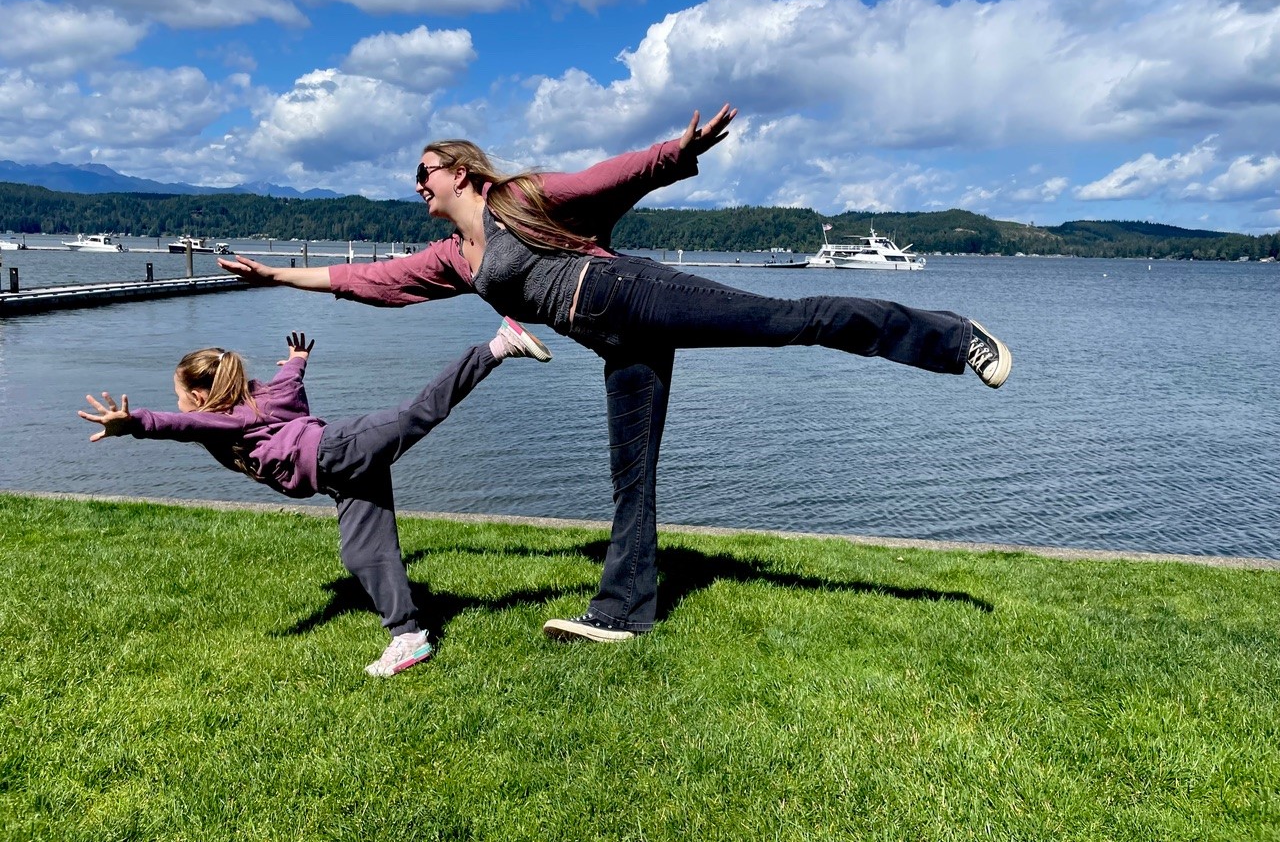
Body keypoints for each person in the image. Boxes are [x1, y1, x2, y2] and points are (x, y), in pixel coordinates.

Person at [217, 103, 1012, 644]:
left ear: (461, 170)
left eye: (424, 170)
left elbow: (604, 180)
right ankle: (626, 610)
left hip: (635, 294)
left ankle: (951, 337)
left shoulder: (520, 200)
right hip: (618, 340)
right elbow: (374, 281)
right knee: (631, 476)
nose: (417, 183)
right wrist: (278, 277)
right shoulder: (457, 258)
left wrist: (677, 154)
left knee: (791, 321)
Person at [76, 317, 552, 675]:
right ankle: (409, 637)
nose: (178, 402)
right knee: (363, 554)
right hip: (342, 473)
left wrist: (134, 423)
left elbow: (179, 424)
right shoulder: (265, 396)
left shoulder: (223, 418)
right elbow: (291, 382)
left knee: (420, 412)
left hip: (341, 449)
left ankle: (497, 345)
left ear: (200, 396)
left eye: (179, 393)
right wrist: (298, 359)